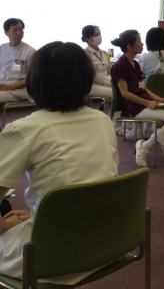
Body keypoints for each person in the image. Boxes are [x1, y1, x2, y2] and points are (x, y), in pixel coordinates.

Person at [0, 41, 119, 284]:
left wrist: (6, 228)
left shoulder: (24, 129)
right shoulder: (102, 120)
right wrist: (36, 217)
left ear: (35, 81)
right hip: (108, 244)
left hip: (50, 257)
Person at [110, 30, 164, 167]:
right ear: (130, 46)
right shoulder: (120, 65)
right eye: (139, 41)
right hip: (135, 106)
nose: (142, 44)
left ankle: (157, 142)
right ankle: (145, 146)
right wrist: (147, 103)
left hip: (143, 102)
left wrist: (159, 99)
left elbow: (143, 88)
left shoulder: (135, 64)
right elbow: (124, 93)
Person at [0, 18, 35, 103]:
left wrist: (11, 87)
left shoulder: (30, 51)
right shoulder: (2, 48)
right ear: (6, 32)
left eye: (21, 30)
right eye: (15, 30)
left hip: (18, 90)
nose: (19, 33)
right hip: (2, 86)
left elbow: (33, 77)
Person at [81, 25, 112, 99]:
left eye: (99, 34)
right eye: (96, 35)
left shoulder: (104, 53)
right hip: (94, 85)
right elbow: (91, 76)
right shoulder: (84, 54)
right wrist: (108, 84)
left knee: (126, 88)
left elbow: (109, 71)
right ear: (88, 38)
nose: (99, 36)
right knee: (117, 92)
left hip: (108, 80)